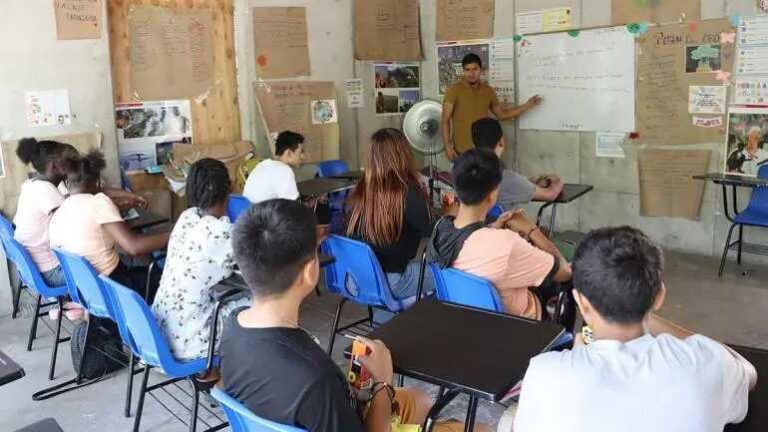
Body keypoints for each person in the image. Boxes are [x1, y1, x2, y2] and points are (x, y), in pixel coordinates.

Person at [220, 199, 473, 432]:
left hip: (329, 412)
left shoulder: (232, 328)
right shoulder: (316, 379)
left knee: (419, 399)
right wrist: (383, 382)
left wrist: (350, 394)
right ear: (310, 272)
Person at [512, 226, 758, 432]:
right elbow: (748, 373)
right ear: (659, 296)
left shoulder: (545, 372)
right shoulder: (707, 362)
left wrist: (578, 355)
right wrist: (647, 315)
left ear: (581, 302)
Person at [428, 149, 571, 320]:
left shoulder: (441, 230)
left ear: (456, 188)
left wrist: (493, 228)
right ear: (493, 194)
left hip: (465, 319)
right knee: (569, 284)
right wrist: (531, 229)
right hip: (516, 327)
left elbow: (469, 243)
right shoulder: (507, 244)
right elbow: (564, 272)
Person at [13, 138, 145, 287]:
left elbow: (92, 193)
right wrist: (123, 205)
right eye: (67, 160)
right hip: (51, 271)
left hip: (35, 265)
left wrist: (128, 197)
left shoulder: (33, 184)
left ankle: (88, 304)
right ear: (54, 165)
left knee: (114, 255)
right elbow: (82, 213)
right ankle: (93, 300)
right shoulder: (46, 191)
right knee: (112, 259)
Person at [152, 159, 249, 361]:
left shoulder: (187, 216)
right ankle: (245, 372)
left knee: (232, 300)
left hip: (159, 334)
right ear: (229, 188)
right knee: (264, 303)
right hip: (190, 340)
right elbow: (258, 263)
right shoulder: (220, 231)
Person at [49, 150, 169, 303]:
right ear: (98, 182)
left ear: (67, 183)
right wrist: (172, 236)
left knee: (144, 269)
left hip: (87, 292)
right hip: (114, 289)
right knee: (169, 277)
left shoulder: (59, 212)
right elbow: (133, 247)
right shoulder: (99, 202)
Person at [345, 128, 435, 302]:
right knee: (451, 273)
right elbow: (432, 229)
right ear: (404, 154)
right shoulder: (407, 189)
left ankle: (387, 322)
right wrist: (451, 214)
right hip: (391, 282)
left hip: (356, 280)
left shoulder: (362, 188)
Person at [442, 53, 542, 161]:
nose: (471, 73)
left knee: (488, 178)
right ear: (463, 71)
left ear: (481, 70)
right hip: (461, 153)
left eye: (475, 69)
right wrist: (448, 146)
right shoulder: (454, 90)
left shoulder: (488, 90)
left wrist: (527, 105)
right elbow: (445, 120)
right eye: (467, 70)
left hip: (484, 152)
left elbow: (502, 115)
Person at [472, 118, 563, 210]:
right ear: (502, 141)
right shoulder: (507, 178)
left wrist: (527, 182)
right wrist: (557, 181)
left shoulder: (465, 174)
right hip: (500, 223)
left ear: (474, 145)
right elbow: (550, 195)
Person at [243, 131, 304, 203]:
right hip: (262, 213)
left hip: (249, 211)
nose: (303, 156)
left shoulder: (262, 164)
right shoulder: (284, 170)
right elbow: (293, 206)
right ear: (289, 153)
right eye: (301, 152)